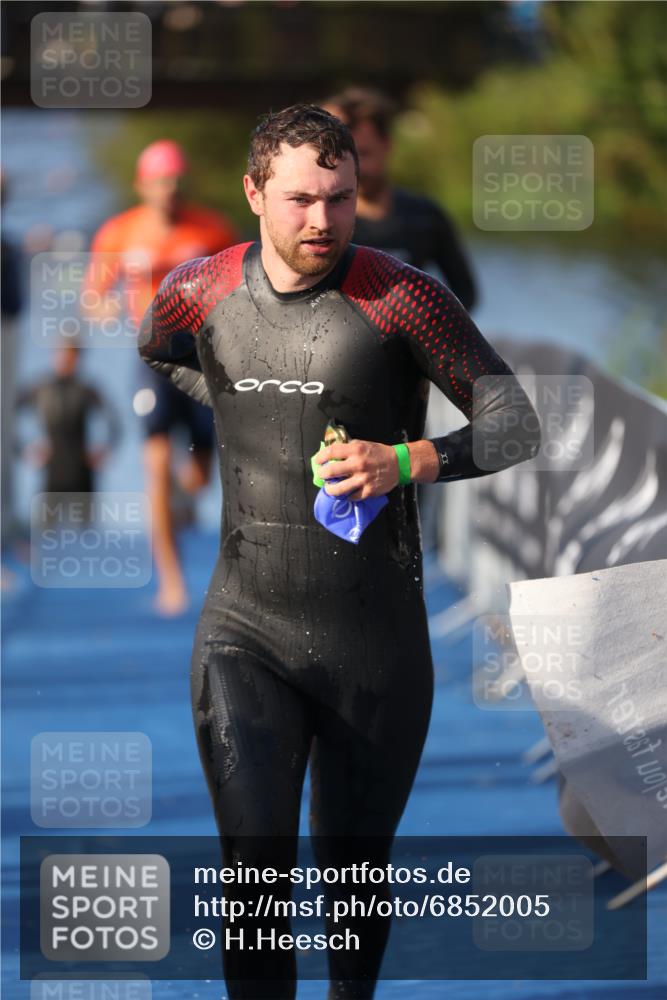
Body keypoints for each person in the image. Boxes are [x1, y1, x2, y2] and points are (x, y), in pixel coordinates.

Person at [138, 105, 540, 999]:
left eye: (341, 199)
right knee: (253, 869)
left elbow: (515, 423)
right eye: (298, 201)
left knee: (352, 885)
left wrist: (405, 459)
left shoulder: (401, 296)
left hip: (374, 641)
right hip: (244, 627)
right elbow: (157, 347)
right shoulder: (198, 289)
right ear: (252, 194)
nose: (321, 222)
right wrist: (236, 406)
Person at [84, 139, 239, 614]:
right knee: (153, 466)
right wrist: (106, 305)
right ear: (142, 185)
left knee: (197, 478)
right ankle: (170, 582)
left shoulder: (210, 229)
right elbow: (92, 296)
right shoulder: (119, 232)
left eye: (175, 181)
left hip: (203, 359)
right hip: (150, 360)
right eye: (159, 182)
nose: (168, 191)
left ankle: (183, 485)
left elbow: (243, 286)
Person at [323, 87, 478, 550]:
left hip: (407, 378)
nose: (353, 162)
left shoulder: (423, 217)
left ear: (387, 147)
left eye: (363, 152)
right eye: (340, 151)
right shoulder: (323, 220)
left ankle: (409, 563)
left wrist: (431, 341)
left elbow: (465, 292)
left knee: (400, 490)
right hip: (331, 370)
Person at [16, 343, 120, 510]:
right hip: (51, 473)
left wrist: (103, 449)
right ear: (54, 356)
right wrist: (23, 450)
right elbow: (9, 417)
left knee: (85, 532)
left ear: (78, 359)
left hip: (82, 473)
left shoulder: (86, 390)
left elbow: (114, 423)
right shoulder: (41, 389)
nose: (66, 361)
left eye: (71, 356)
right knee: (45, 530)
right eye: (62, 355)